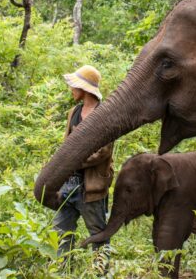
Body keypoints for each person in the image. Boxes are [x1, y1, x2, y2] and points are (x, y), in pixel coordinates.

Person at [52, 65, 114, 268]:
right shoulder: (74, 112)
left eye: (74, 85)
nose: (71, 89)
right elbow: (67, 144)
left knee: (98, 234)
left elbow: (103, 152)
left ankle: (100, 272)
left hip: (91, 188)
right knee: (61, 231)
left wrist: (73, 161)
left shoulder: (104, 114)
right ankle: (63, 271)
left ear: (84, 88)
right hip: (68, 184)